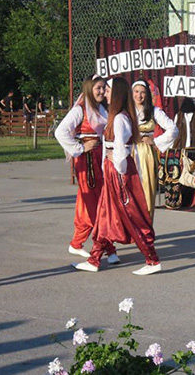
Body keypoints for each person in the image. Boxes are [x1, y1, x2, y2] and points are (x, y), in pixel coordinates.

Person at [73, 77, 162, 275]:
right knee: (105, 214)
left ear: (117, 94)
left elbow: (121, 150)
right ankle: (95, 258)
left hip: (119, 172)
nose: (105, 93)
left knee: (133, 215)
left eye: (108, 91)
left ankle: (152, 259)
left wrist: (117, 168)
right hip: (114, 171)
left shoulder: (120, 118)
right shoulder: (117, 116)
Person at [54, 74, 119, 264]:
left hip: (102, 160)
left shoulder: (102, 109)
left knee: (91, 204)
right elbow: (61, 132)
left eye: (103, 88)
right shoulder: (80, 110)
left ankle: (76, 243)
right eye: (97, 88)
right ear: (89, 89)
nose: (100, 91)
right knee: (96, 206)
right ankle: (109, 248)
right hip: (87, 163)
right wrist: (80, 148)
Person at [132, 80, 178, 220]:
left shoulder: (154, 111)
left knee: (147, 189)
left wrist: (155, 141)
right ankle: (132, 227)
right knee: (131, 190)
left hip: (146, 153)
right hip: (129, 151)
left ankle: (146, 227)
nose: (139, 96)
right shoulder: (126, 111)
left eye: (142, 92)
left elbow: (173, 129)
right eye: (136, 92)